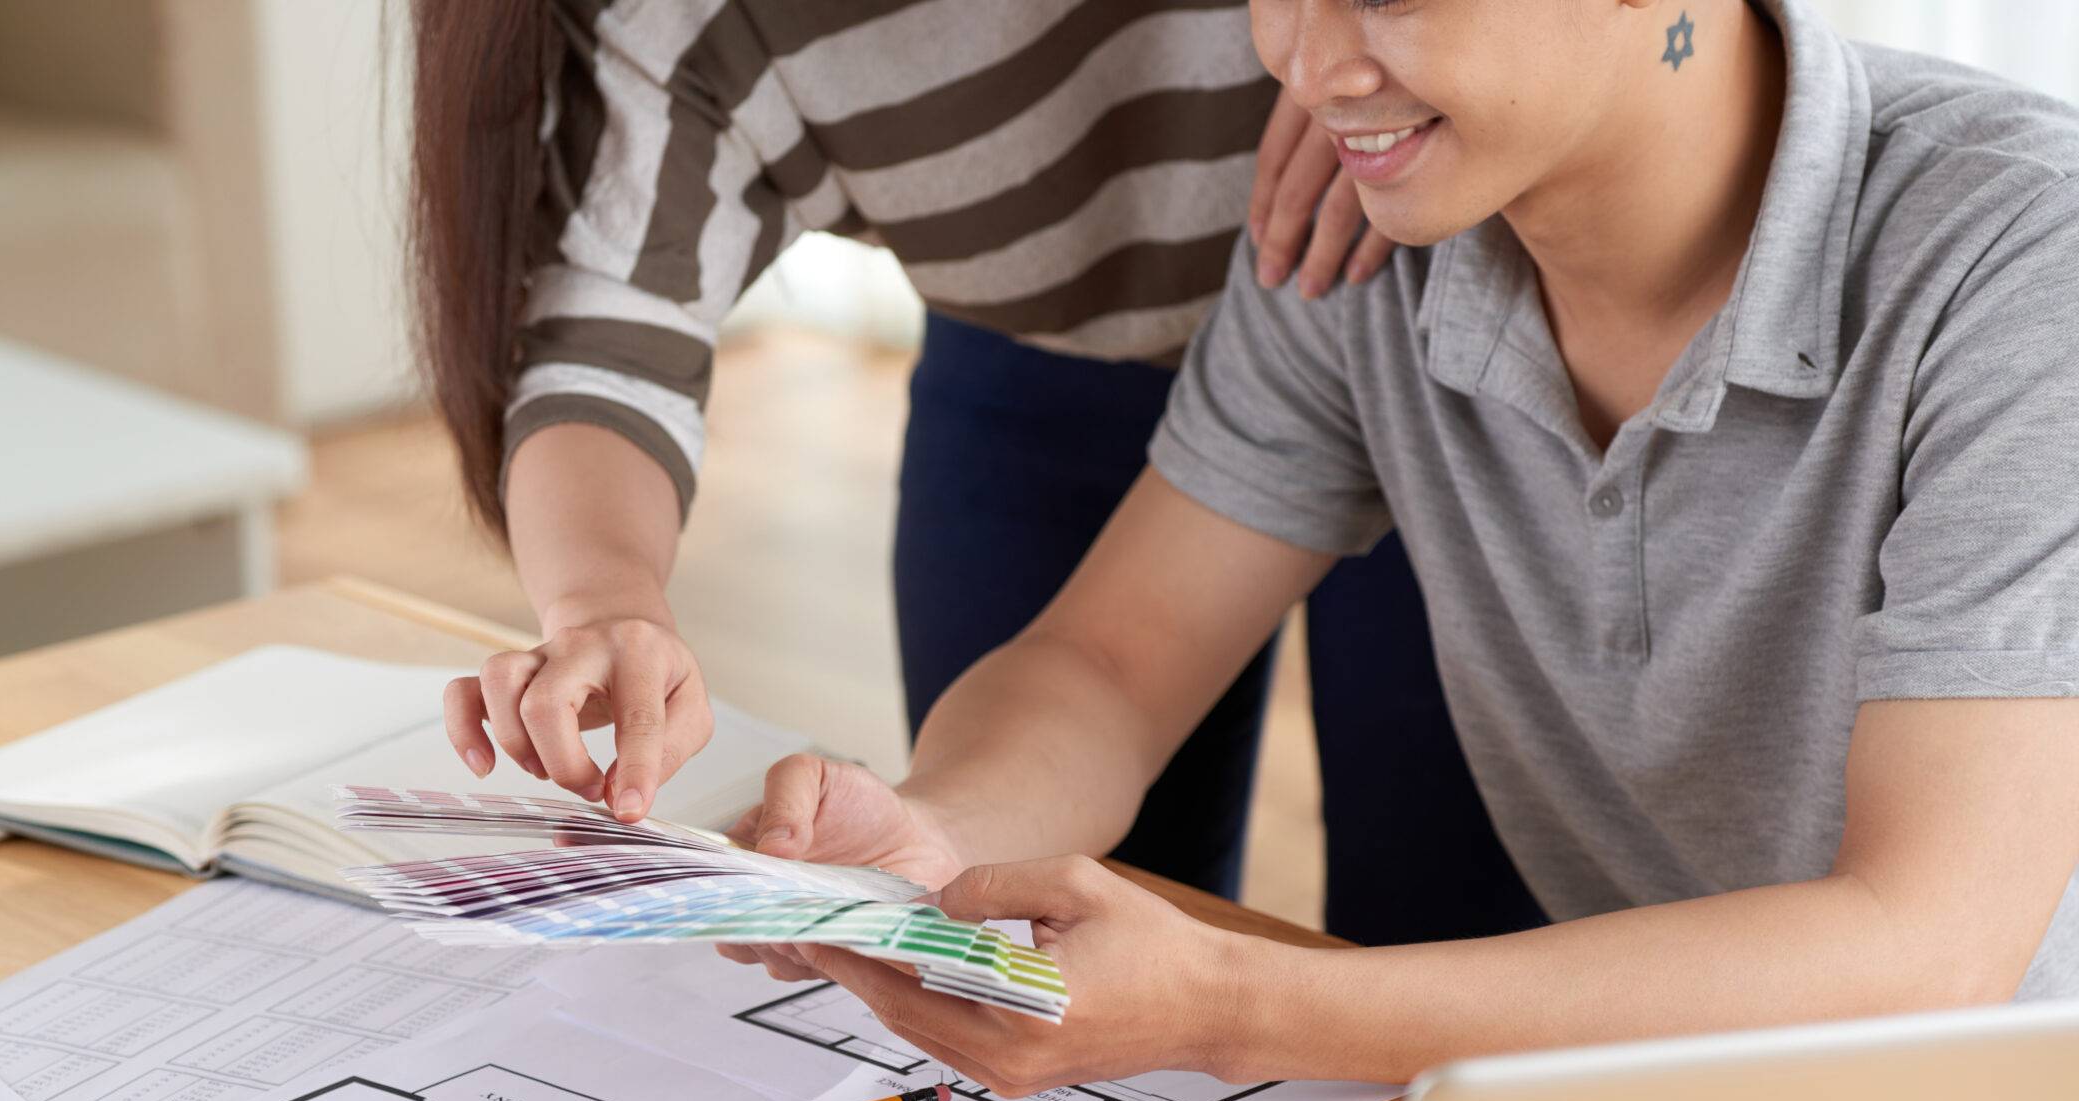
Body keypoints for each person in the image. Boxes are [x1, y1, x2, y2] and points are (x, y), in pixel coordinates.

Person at [718, 0, 2079, 1091]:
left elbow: (1927, 945)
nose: (1309, 68)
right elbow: (1114, 662)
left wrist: (1230, 1005)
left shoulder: (2022, 259)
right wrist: (935, 830)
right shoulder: (1368, 234)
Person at [406, 1, 1544, 945]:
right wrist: (604, 603)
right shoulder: (680, 20)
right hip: (1039, 365)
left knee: (1450, 926)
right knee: (1039, 925)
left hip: (1418, 318)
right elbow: (607, 332)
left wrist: (1390, 62)